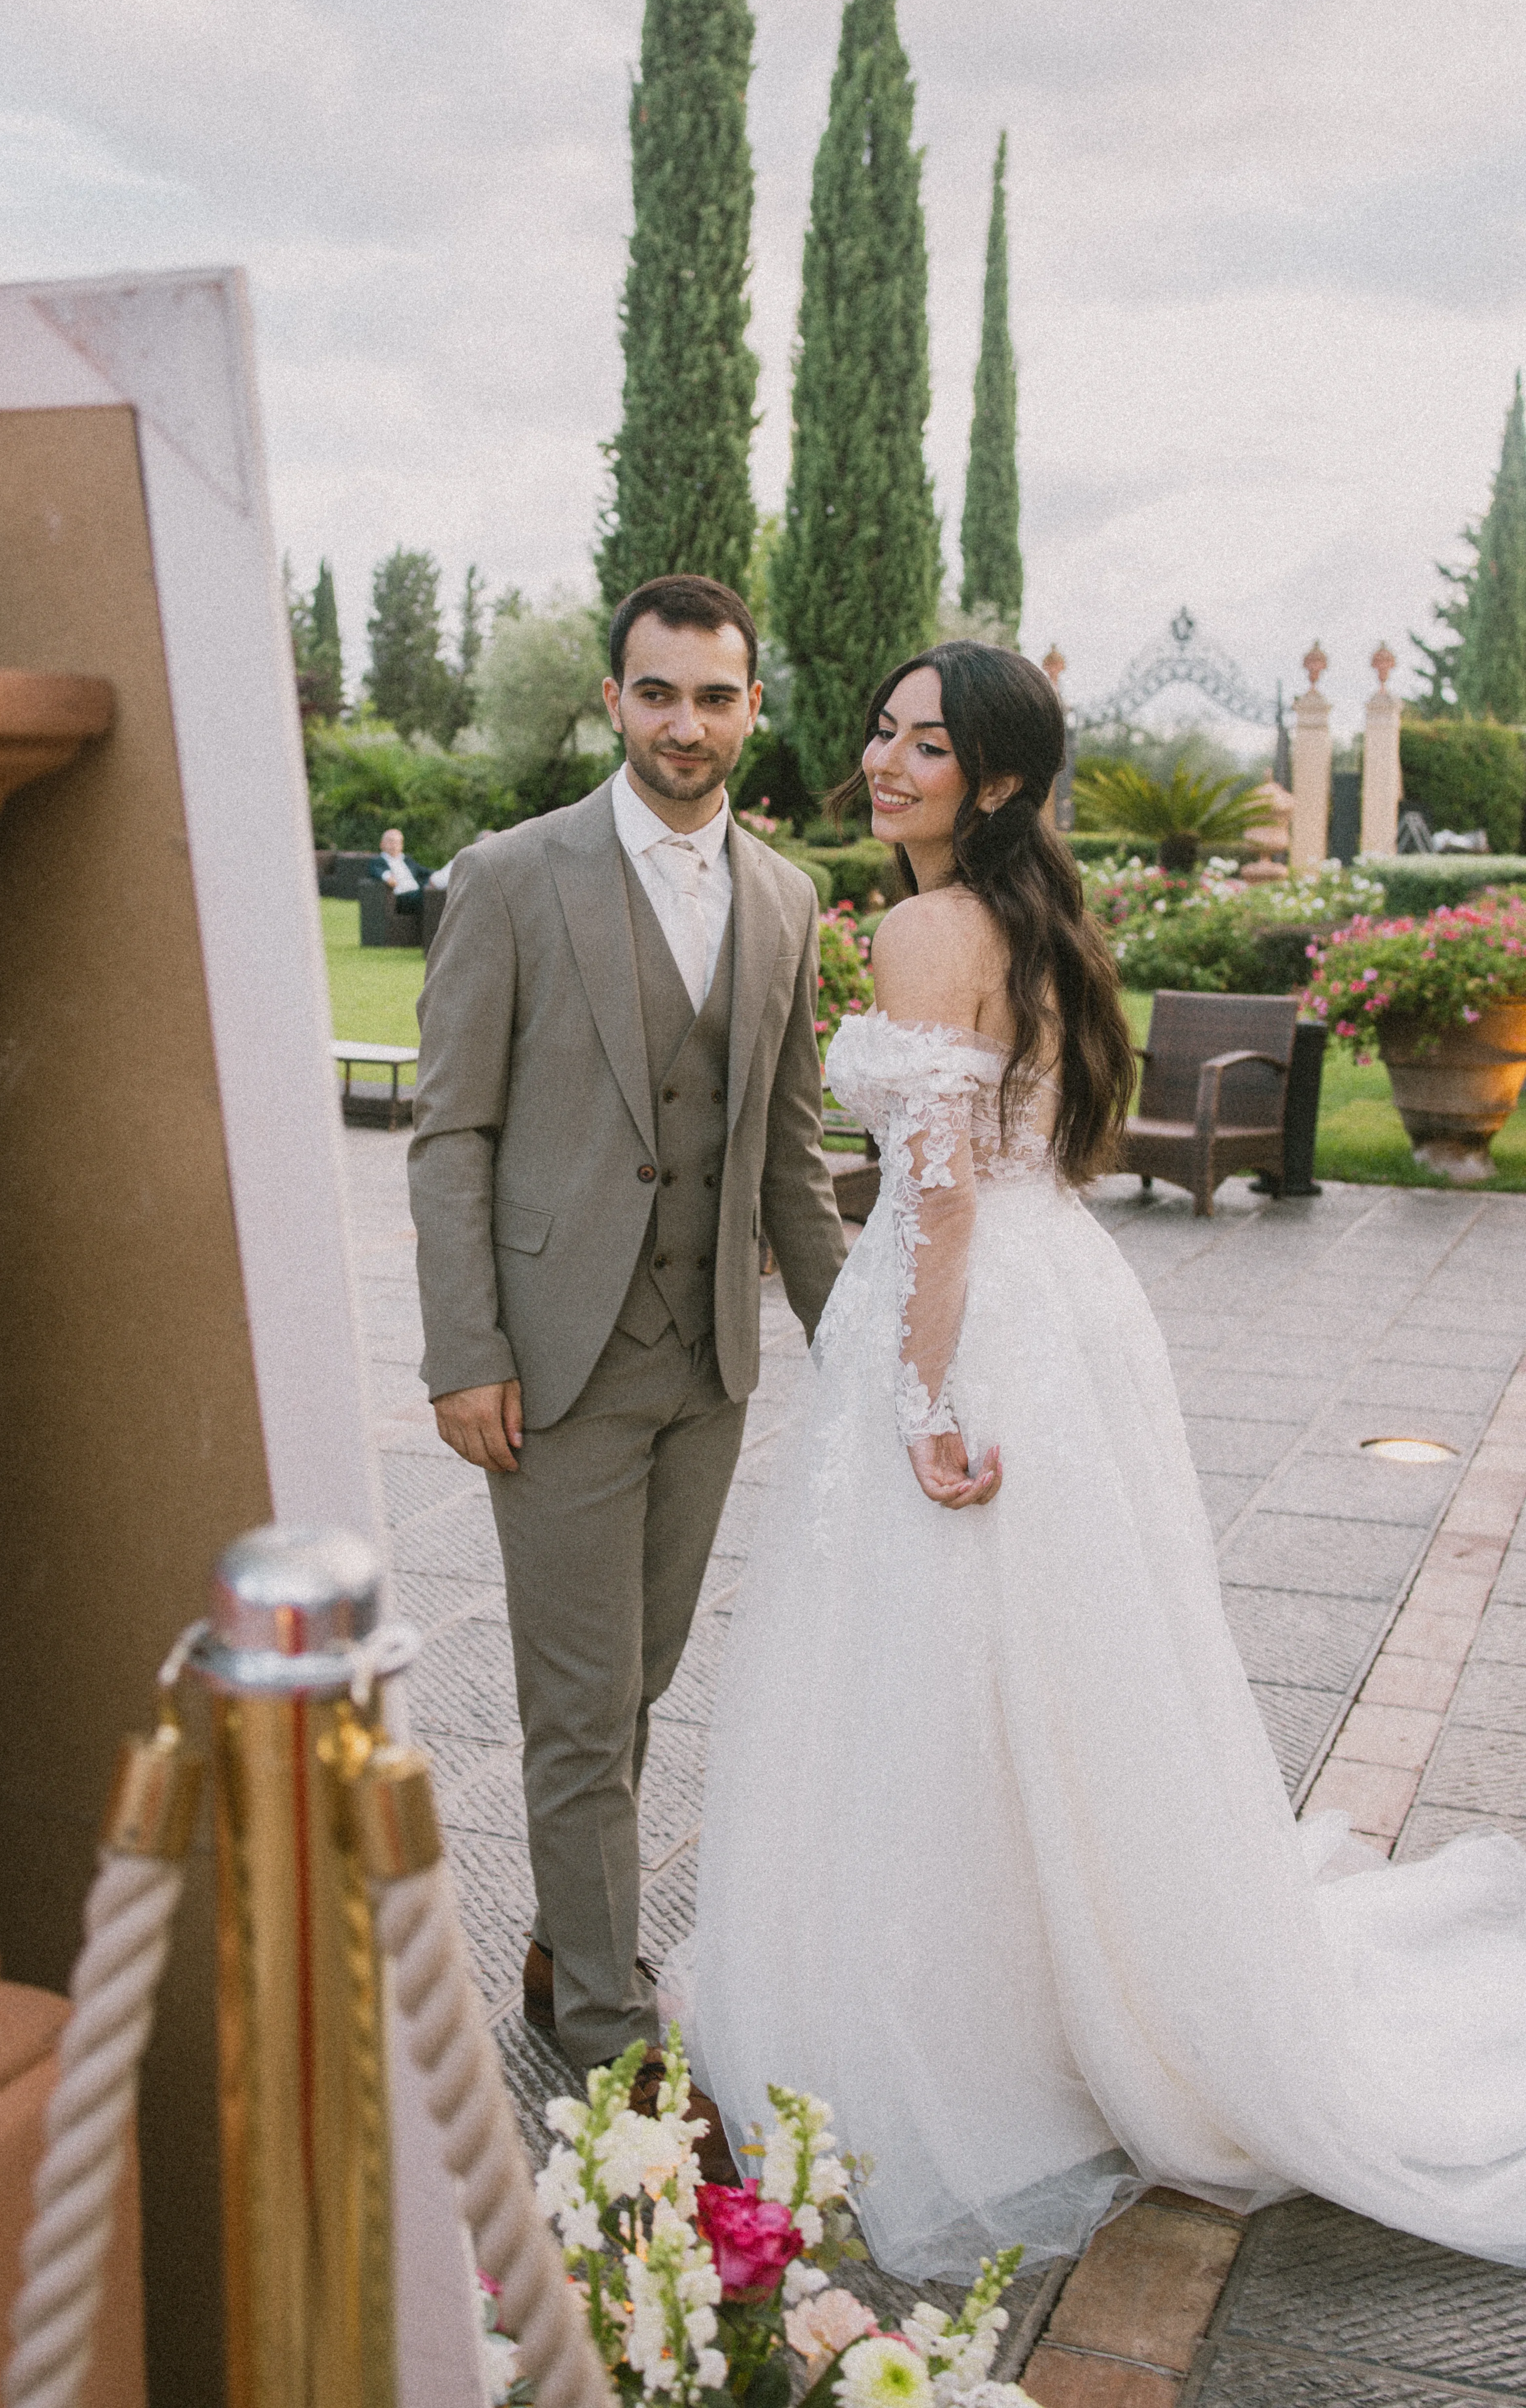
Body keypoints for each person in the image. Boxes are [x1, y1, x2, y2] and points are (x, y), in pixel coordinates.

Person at [675, 640, 1526, 2279]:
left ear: (997, 779)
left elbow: (933, 1197)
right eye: (884, 731)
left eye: (929, 745)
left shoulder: (931, 928)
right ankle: (1083, 1994)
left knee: (939, 1674)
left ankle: (972, 2030)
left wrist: (919, 1397)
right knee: (1061, 1672)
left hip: (970, 1315)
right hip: (1055, 1296)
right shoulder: (1037, 920)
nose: (887, 761)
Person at [409, 573, 846, 2158]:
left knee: (640, 1682)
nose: (685, 724)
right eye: (657, 693)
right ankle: (605, 2025)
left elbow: (790, 1158)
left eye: (715, 697)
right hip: (554, 1364)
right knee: (585, 1706)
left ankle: (558, 1949)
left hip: (705, 1367)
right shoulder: (512, 877)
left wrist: (860, 1354)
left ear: (751, 710)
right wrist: (465, 1350)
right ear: (614, 701)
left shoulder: (787, 901)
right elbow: (450, 1132)